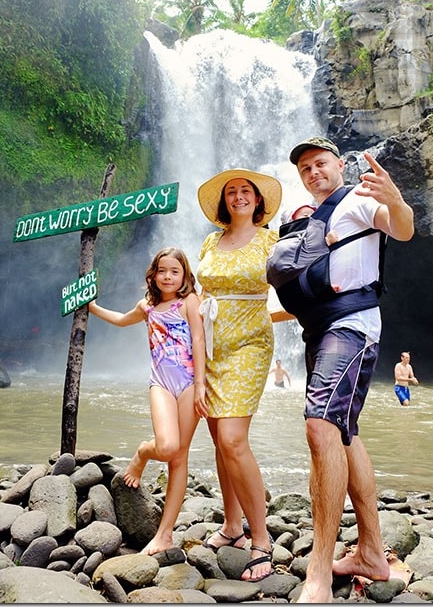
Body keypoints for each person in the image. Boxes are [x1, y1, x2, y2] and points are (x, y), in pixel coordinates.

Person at [287, 136, 414, 603]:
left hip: (352, 326)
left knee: (320, 427)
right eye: (305, 168)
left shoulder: (360, 200)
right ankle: (372, 554)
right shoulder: (306, 220)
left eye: (320, 163)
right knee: (343, 431)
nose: (313, 172)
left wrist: (395, 199)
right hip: (319, 330)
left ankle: (318, 571)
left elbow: (402, 229)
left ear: (339, 164)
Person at [88, 247, 208, 555]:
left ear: (184, 276)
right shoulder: (148, 306)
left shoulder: (189, 302)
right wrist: (93, 308)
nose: (168, 276)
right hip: (162, 384)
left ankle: (165, 533)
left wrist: (199, 387)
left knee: (179, 456)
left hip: (188, 383)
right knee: (166, 447)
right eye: (162, 270)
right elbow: (120, 319)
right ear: (153, 274)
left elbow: (198, 339)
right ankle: (143, 452)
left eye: (175, 271)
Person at [196, 167, 282, 582]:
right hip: (211, 345)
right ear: (223, 201)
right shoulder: (211, 240)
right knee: (218, 438)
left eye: (245, 190)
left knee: (233, 438)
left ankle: (261, 538)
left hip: (249, 345)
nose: (238, 196)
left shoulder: (271, 238)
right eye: (231, 192)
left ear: (258, 199)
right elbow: (198, 297)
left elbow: (294, 289)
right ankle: (232, 526)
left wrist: (265, 320)